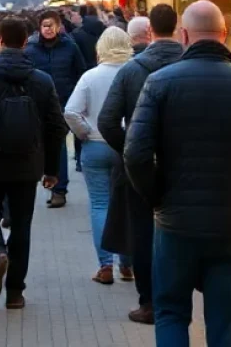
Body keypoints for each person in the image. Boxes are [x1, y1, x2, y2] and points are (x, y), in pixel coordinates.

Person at [124, 1, 231, 347]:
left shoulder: (159, 83)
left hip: (175, 223)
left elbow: (135, 154)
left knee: (170, 312)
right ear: (224, 34)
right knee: (227, 324)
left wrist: (158, 198)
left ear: (183, 35)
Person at [98, 3, 184, 325]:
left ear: (149, 33)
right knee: (179, 230)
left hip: (141, 169)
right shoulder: (189, 65)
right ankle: (178, 296)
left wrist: (131, 149)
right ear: (177, 29)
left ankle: (148, 302)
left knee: (144, 233)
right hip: (184, 167)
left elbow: (107, 121)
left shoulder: (131, 71)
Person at [0, 17, 66, 309]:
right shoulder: (41, 80)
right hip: (28, 165)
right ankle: (15, 292)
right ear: (27, 41)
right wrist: (52, 170)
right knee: (22, 225)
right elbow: (55, 126)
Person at [65, 26, 135, 285]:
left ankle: (105, 266)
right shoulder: (135, 72)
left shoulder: (90, 76)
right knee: (127, 204)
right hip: (126, 146)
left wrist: (85, 132)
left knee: (100, 204)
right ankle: (127, 265)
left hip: (95, 146)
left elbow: (71, 111)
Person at [24, 9, 86, 207]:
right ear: (39, 28)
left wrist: (77, 101)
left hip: (64, 104)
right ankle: (44, 184)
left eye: (51, 25)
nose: (48, 29)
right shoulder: (31, 50)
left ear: (58, 27)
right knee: (40, 147)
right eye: (44, 25)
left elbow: (80, 74)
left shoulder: (70, 47)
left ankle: (59, 190)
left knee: (57, 145)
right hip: (39, 106)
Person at [71, 4, 107, 70]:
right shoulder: (105, 31)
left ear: (80, 15)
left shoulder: (77, 34)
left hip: (85, 68)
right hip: (103, 66)